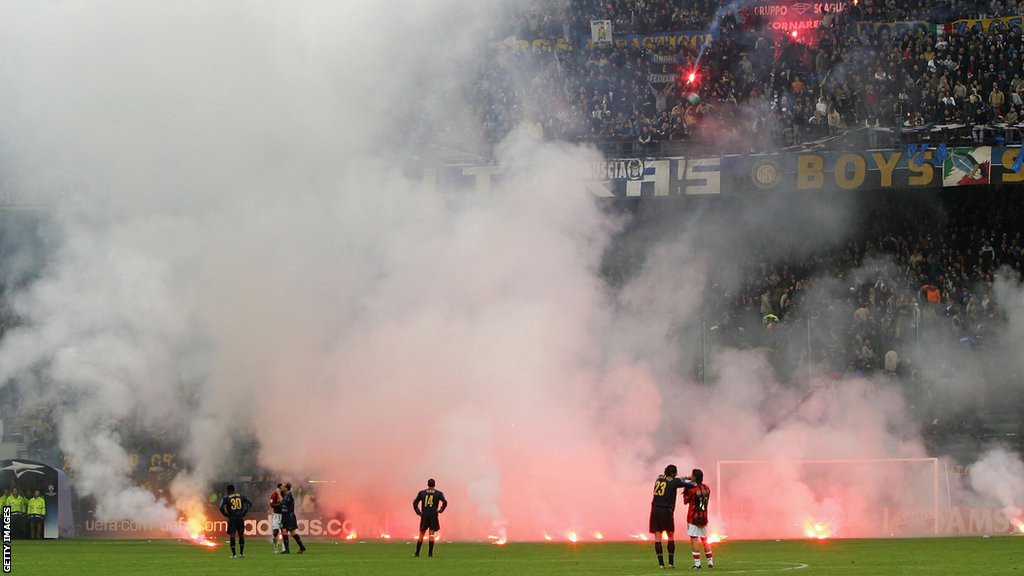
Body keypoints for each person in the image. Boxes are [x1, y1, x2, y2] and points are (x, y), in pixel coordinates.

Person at [649, 465, 696, 569]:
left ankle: (661, 564)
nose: (677, 473)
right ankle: (671, 563)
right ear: (673, 473)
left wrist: (687, 477)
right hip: (666, 511)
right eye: (676, 472)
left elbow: (676, 480)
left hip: (655, 510)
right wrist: (694, 481)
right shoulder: (675, 482)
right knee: (670, 535)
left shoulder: (659, 477)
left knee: (658, 537)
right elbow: (689, 485)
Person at [684, 468, 714, 569]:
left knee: (694, 539)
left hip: (693, 517)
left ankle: (697, 564)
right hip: (704, 516)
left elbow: (686, 501)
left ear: (695, 477)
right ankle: (710, 562)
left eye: (692, 475)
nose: (690, 476)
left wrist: (686, 490)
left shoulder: (692, 490)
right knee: (705, 539)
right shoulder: (707, 487)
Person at [413, 478, 447, 558]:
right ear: (434, 485)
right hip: (433, 515)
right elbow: (445, 502)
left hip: (424, 515)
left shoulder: (422, 493)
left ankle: (417, 553)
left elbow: (415, 503)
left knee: (421, 534)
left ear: (427, 484)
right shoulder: (438, 493)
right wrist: (441, 510)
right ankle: (430, 554)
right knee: (431, 534)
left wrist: (418, 512)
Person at [218, 483, 253, 558]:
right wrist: (244, 512)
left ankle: (234, 554)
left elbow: (220, 507)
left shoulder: (226, 497)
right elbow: (250, 504)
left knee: (232, 535)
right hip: (240, 518)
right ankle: (241, 553)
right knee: (241, 535)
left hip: (232, 518)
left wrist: (225, 514)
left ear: (228, 490)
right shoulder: (241, 496)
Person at [279, 482, 306, 554]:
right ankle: (287, 550)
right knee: (284, 531)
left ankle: (302, 547)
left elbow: (283, 502)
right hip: (285, 515)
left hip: (289, 516)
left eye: (283, 487)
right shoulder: (285, 495)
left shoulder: (289, 495)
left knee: (292, 532)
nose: (281, 487)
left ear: (286, 488)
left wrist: (278, 494)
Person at [268, 483, 283, 553]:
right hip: (276, 515)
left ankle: (284, 548)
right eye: (282, 487)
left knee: (284, 532)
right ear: (279, 487)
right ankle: (275, 546)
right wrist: (279, 505)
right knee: (275, 532)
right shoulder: (274, 494)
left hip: (284, 515)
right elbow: (271, 504)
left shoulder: (285, 494)